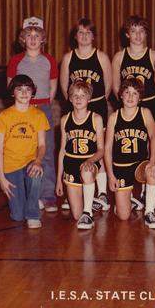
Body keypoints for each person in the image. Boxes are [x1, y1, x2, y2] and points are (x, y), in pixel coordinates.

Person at [7, 17, 58, 212]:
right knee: (24, 152)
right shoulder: (16, 61)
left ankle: (48, 197)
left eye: (37, 36)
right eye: (29, 36)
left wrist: (43, 105)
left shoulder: (49, 60)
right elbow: (10, 86)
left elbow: (52, 87)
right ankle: (30, 195)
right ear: (23, 39)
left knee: (46, 152)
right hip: (22, 111)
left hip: (42, 109)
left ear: (43, 39)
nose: (33, 39)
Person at [60, 18, 112, 211]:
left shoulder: (101, 57)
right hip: (75, 105)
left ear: (94, 36)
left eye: (88, 32)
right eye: (80, 32)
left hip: (96, 104)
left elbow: (107, 87)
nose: (84, 36)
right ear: (75, 36)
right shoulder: (68, 57)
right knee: (73, 147)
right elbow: (65, 87)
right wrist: (76, 104)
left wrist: (93, 103)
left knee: (99, 148)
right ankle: (74, 188)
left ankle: (103, 193)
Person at [104, 79, 155, 228]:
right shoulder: (113, 117)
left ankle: (149, 212)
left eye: (135, 93)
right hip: (120, 166)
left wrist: (153, 160)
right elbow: (108, 148)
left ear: (140, 98)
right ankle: (125, 202)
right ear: (120, 95)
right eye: (127, 92)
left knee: (153, 172)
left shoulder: (145, 113)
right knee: (123, 217)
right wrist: (110, 175)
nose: (130, 96)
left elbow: (154, 137)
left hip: (139, 164)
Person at [0, 75, 49, 228]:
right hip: (11, 166)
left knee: (36, 173)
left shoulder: (39, 115)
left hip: (30, 162)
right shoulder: (4, 116)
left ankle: (33, 213)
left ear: (33, 93)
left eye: (28, 89)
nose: (24, 93)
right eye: (19, 89)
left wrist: (38, 161)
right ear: (12, 93)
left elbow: (43, 145)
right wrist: (1, 177)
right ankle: (31, 199)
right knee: (17, 216)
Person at [55, 80, 105, 229]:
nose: (78, 99)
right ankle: (89, 200)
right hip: (71, 165)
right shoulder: (65, 120)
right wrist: (59, 179)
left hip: (90, 162)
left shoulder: (96, 118)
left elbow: (101, 149)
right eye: (75, 95)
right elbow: (62, 150)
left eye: (83, 95)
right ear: (70, 98)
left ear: (89, 99)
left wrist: (90, 161)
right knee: (76, 215)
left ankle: (88, 214)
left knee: (87, 171)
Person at [111, 15, 155, 119]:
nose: (138, 34)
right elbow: (116, 87)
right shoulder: (119, 57)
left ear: (146, 33)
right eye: (133, 31)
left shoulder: (154, 56)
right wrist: (126, 103)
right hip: (127, 105)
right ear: (127, 34)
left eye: (141, 30)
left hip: (150, 104)